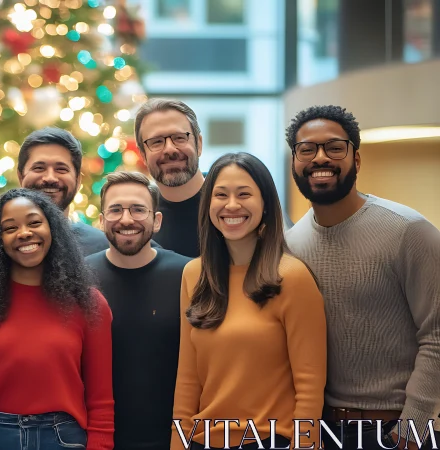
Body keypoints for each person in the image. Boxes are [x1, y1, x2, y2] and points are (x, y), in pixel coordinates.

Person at [285, 105, 440, 450]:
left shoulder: (409, 230)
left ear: (356, 159)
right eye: (306, 149)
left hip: (396, 430)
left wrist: (411, 428)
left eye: (334, 147)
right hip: (323, 430)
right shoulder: (290, 245)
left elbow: (437, 334)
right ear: (294, 162)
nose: (320, 157)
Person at [0, 188, 114, 450]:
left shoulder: (89, 304)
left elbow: (101, 403)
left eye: (34, 222)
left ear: (53, 229)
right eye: (10, 228)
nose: (25, 233)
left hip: (63, 439)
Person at [172, 152, 326, 450]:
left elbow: (310, 386)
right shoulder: (194, 274)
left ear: (265, 204)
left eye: (244, 194)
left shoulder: (291, 277)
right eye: (221, 195)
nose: (232, 205)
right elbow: (188, 379)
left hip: (270, 440)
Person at [85, 171, 190, 450]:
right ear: (101, 220)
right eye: (115, 210)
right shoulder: (79, 278)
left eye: (138, 209)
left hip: (174, 438)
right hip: (97, 439)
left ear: (157, 220)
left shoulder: (187, 275)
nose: (126, 219)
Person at [17, 127, 110, 256]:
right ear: (20, 177)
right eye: (39, 168)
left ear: (78, 180)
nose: (50, 178)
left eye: (61, 169)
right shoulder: (0, 244)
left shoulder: (102, 248)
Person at [133, 98, 205, 257]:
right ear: (143, 154)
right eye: (156, 142)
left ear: (199, 144)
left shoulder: (231, 203)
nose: (169, 149)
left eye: (179, 137)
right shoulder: (137, 220)